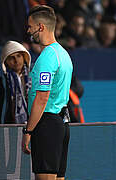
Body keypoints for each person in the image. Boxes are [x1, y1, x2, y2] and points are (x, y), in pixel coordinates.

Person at [22, 5, 73, 180]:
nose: (29, 31)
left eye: (30, 27)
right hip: (61, 124)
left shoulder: (47, 57)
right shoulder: (64, 54)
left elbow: (42, 98)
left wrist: (28, 131)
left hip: (47, 125)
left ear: (40, 27)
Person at [0, 41, 31, 124]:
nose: (16, 60)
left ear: (24, 57)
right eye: (11, 58)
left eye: (18, 56)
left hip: (33, 123)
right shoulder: (1, 82)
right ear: (6, 62)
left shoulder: (34, 77)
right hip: (10, 124)